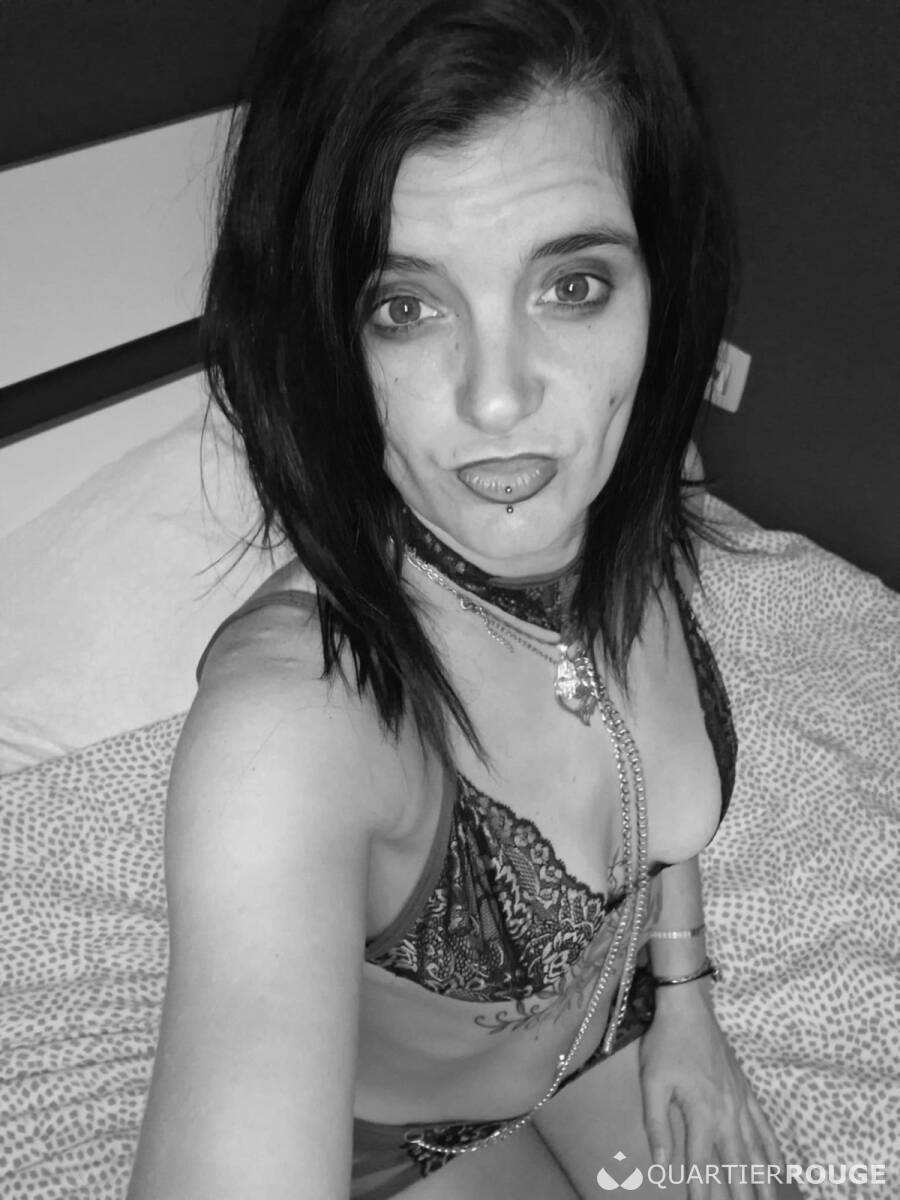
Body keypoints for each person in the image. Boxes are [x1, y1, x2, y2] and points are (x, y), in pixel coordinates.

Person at [127, 0, 804, 1196]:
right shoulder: (289, 736)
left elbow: (648, 809)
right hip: (403, 1150)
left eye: (574, 285)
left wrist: (687, 999)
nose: (501, 402)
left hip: (609, 1046)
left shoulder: (620, 504)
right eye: (405, 307)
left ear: (660, 283)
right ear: (324, 337)